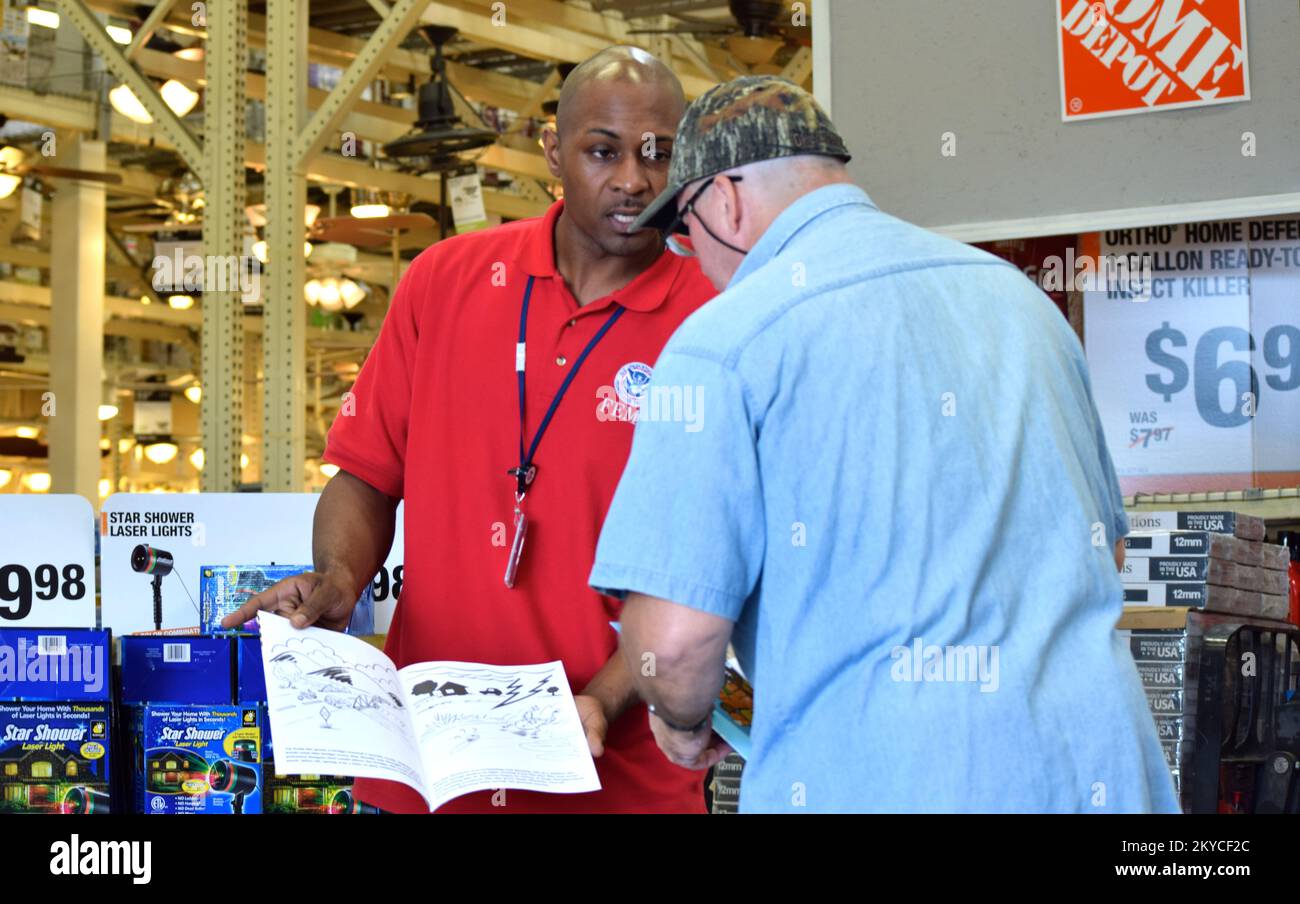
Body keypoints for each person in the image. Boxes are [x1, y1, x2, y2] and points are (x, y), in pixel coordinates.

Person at [588, 75, 1180, 813]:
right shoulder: (1021, 300)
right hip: (1100, 772)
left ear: (724, 202)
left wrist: (679, 723)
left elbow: (673, 644)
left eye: (684, 234)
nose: (693, 262)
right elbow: (1107, 554)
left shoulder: (723, 344)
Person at [224, 46, 717, 814]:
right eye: (602, 151)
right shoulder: (445, 282)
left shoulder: (713, 317)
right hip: (430, 764)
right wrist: (338, 582)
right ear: (553, 151)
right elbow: (363, 478)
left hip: (622, 777)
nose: (633, 180)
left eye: (658, 155)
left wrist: (605, 699)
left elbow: (714, 564)